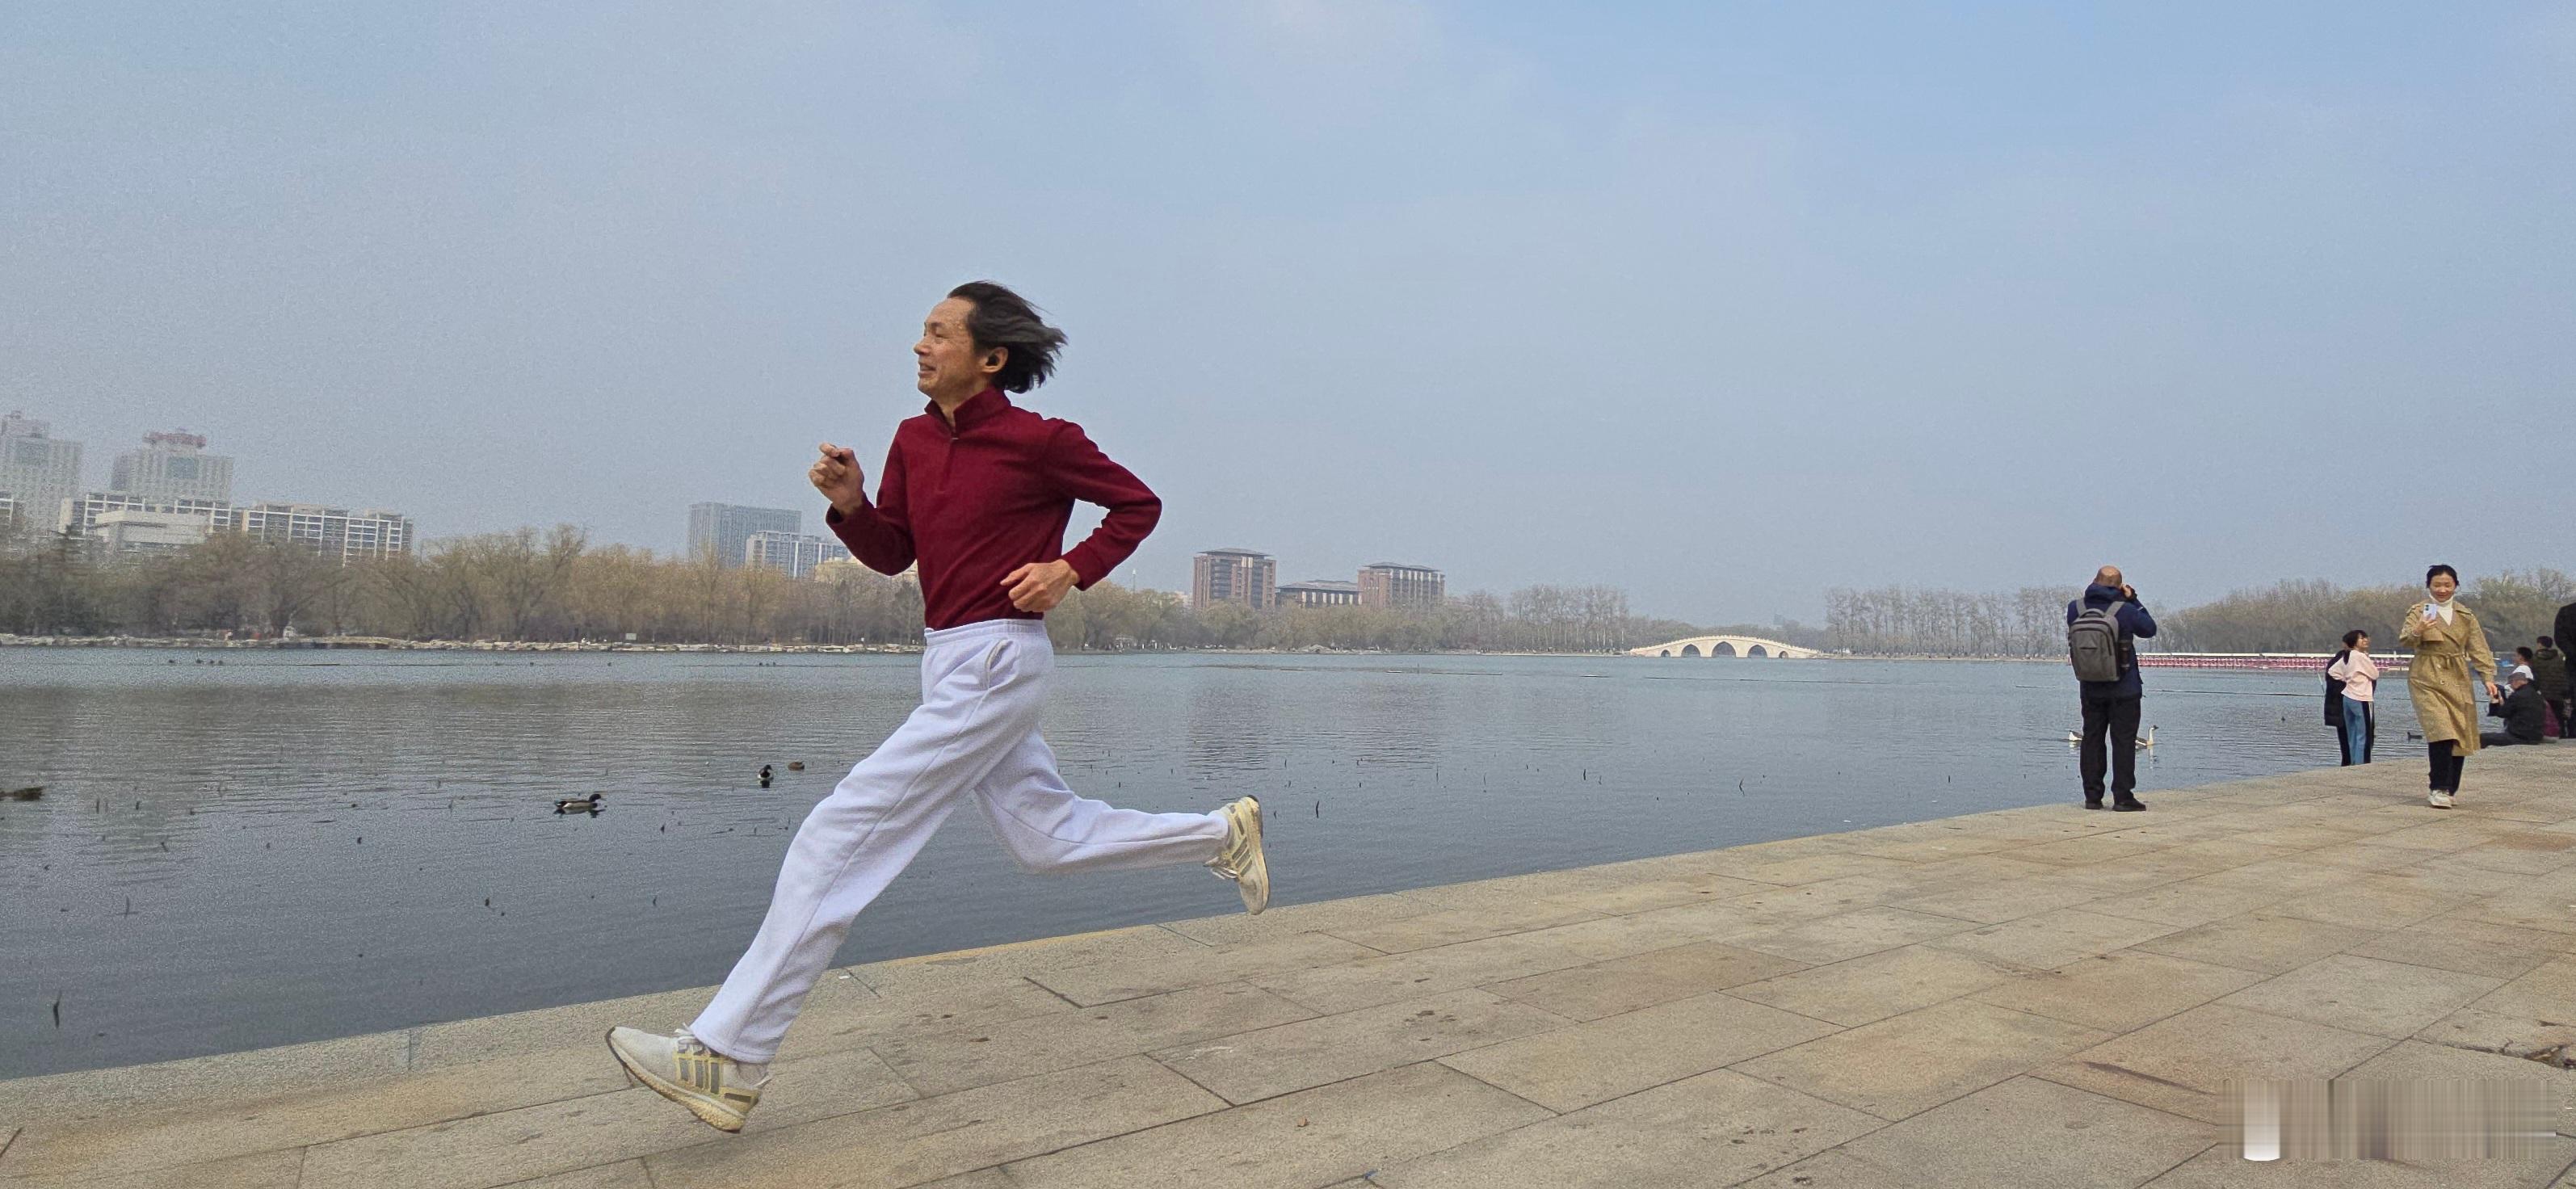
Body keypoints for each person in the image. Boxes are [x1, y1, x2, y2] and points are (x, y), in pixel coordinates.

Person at [605, 283, 1271, 1133]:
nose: (920, 346)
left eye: (938, 334)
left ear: (990, 358)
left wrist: (1071, 568)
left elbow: (1138, 503)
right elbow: (895, 553)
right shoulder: (914, 439)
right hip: (948, 656)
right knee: (1046, 839)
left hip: (999, 654)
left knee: (840, 831)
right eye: (921, 331)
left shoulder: (1042, 442)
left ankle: (727, 1053)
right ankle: (1225, 833)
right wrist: (850, 504)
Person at [2398, 564, 2500, 809]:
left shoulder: (2465, 616)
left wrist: (2487, 677)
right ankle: (2438, 787)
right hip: (2426, 675)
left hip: (2457, 675)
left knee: (2460, 732)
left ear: (2456, 585)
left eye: (2447, 584)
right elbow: (2405, 640)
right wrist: (2419, 630)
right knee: (2441, 730)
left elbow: (2478, 647)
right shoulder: (2419, 611)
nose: (2442, 589)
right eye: (2437, 585)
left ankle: (2451, 786)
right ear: (2428, 586)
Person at [2068, 566, 2158, 810]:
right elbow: (2149, 629)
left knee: (2092, 739)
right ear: (2119, 586)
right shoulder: (2126, 610)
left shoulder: (2075, 608)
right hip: (2124, 688)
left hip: (2090, 686)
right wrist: (2133, 599)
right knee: (2124, 742)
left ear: (2094, 582)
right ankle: (2123, 797)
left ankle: (2093, 797)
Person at [2326, 629, 2377, 766]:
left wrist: (2347, 679)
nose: (2365, 640)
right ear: (2354, 642)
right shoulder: (2360, 657)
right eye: (2362, 639)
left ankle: (2354, 763)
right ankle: (2363, 765)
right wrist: (2357, 679)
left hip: (2348, 697)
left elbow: (2332, 672)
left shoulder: (2346, 657)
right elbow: (2375, 674)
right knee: (2364, 735)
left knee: (2352, 734)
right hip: (2361, 697)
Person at [2483, 670, 2549, 746]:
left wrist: (2496, 697)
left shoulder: (2518, 696)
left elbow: (2502, 713)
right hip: (2536, 735)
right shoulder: (2537, 695)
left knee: (2482, 737)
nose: (2511, 686)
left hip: (2520, 736)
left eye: (2511, 683)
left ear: (2516, 681)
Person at [2533, 637, 2569, 738]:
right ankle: (2562, 735)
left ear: (2540, 644)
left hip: (2542, 693)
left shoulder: (2535, 659)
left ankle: (2545, 735)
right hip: (2558, 693)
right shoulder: (2559, 658)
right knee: (2559, 717)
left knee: (2544, 717)